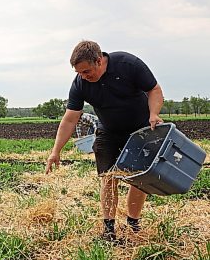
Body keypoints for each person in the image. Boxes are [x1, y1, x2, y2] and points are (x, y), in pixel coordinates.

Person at [46, 40, 164, 241]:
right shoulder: (80, 83)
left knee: (138, 178)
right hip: (108, 131)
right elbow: (70, 118)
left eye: (86, 71)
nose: (83, 76)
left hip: (140, 130)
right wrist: (55, 151)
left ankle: (133, 223)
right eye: (78, 72)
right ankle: (109, 229)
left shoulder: (129, 65)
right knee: (108, 177)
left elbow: (155, 90)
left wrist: (154, 113)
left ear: (99, 61)